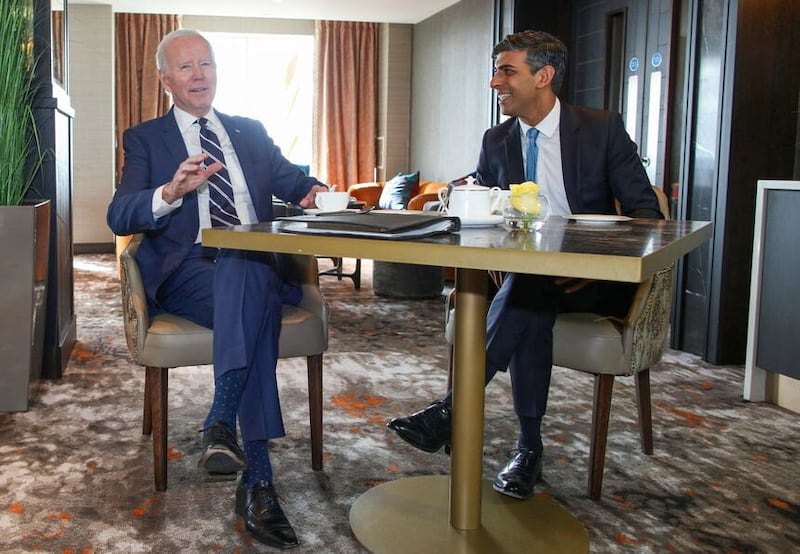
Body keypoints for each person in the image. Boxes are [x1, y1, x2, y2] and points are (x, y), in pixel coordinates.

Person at [387, 30, 663, 500]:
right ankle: (528, 449)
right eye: (496, 71)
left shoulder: (601, 129)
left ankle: (453, 414)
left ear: (544, 76)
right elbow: (491, 217)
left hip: (592, 278)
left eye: (507, 71)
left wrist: (593, 261)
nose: (496, 82)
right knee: (528, 299)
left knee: (526, 293)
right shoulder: (496, 140)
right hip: (524, 277)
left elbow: (646, 216)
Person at [107, 29, 329, 549]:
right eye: (185, 67)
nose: (199, 74)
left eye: (205, 63)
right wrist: (168, 192)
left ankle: (225, 424)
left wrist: (321, 195)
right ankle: (257, 477)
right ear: (165, 79)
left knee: (246, 264)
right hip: (189, 270)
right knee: (242, 277)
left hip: (256, 263)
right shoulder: (146, 138)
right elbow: (119, 214)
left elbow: (296, 184)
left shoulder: (249, 131)